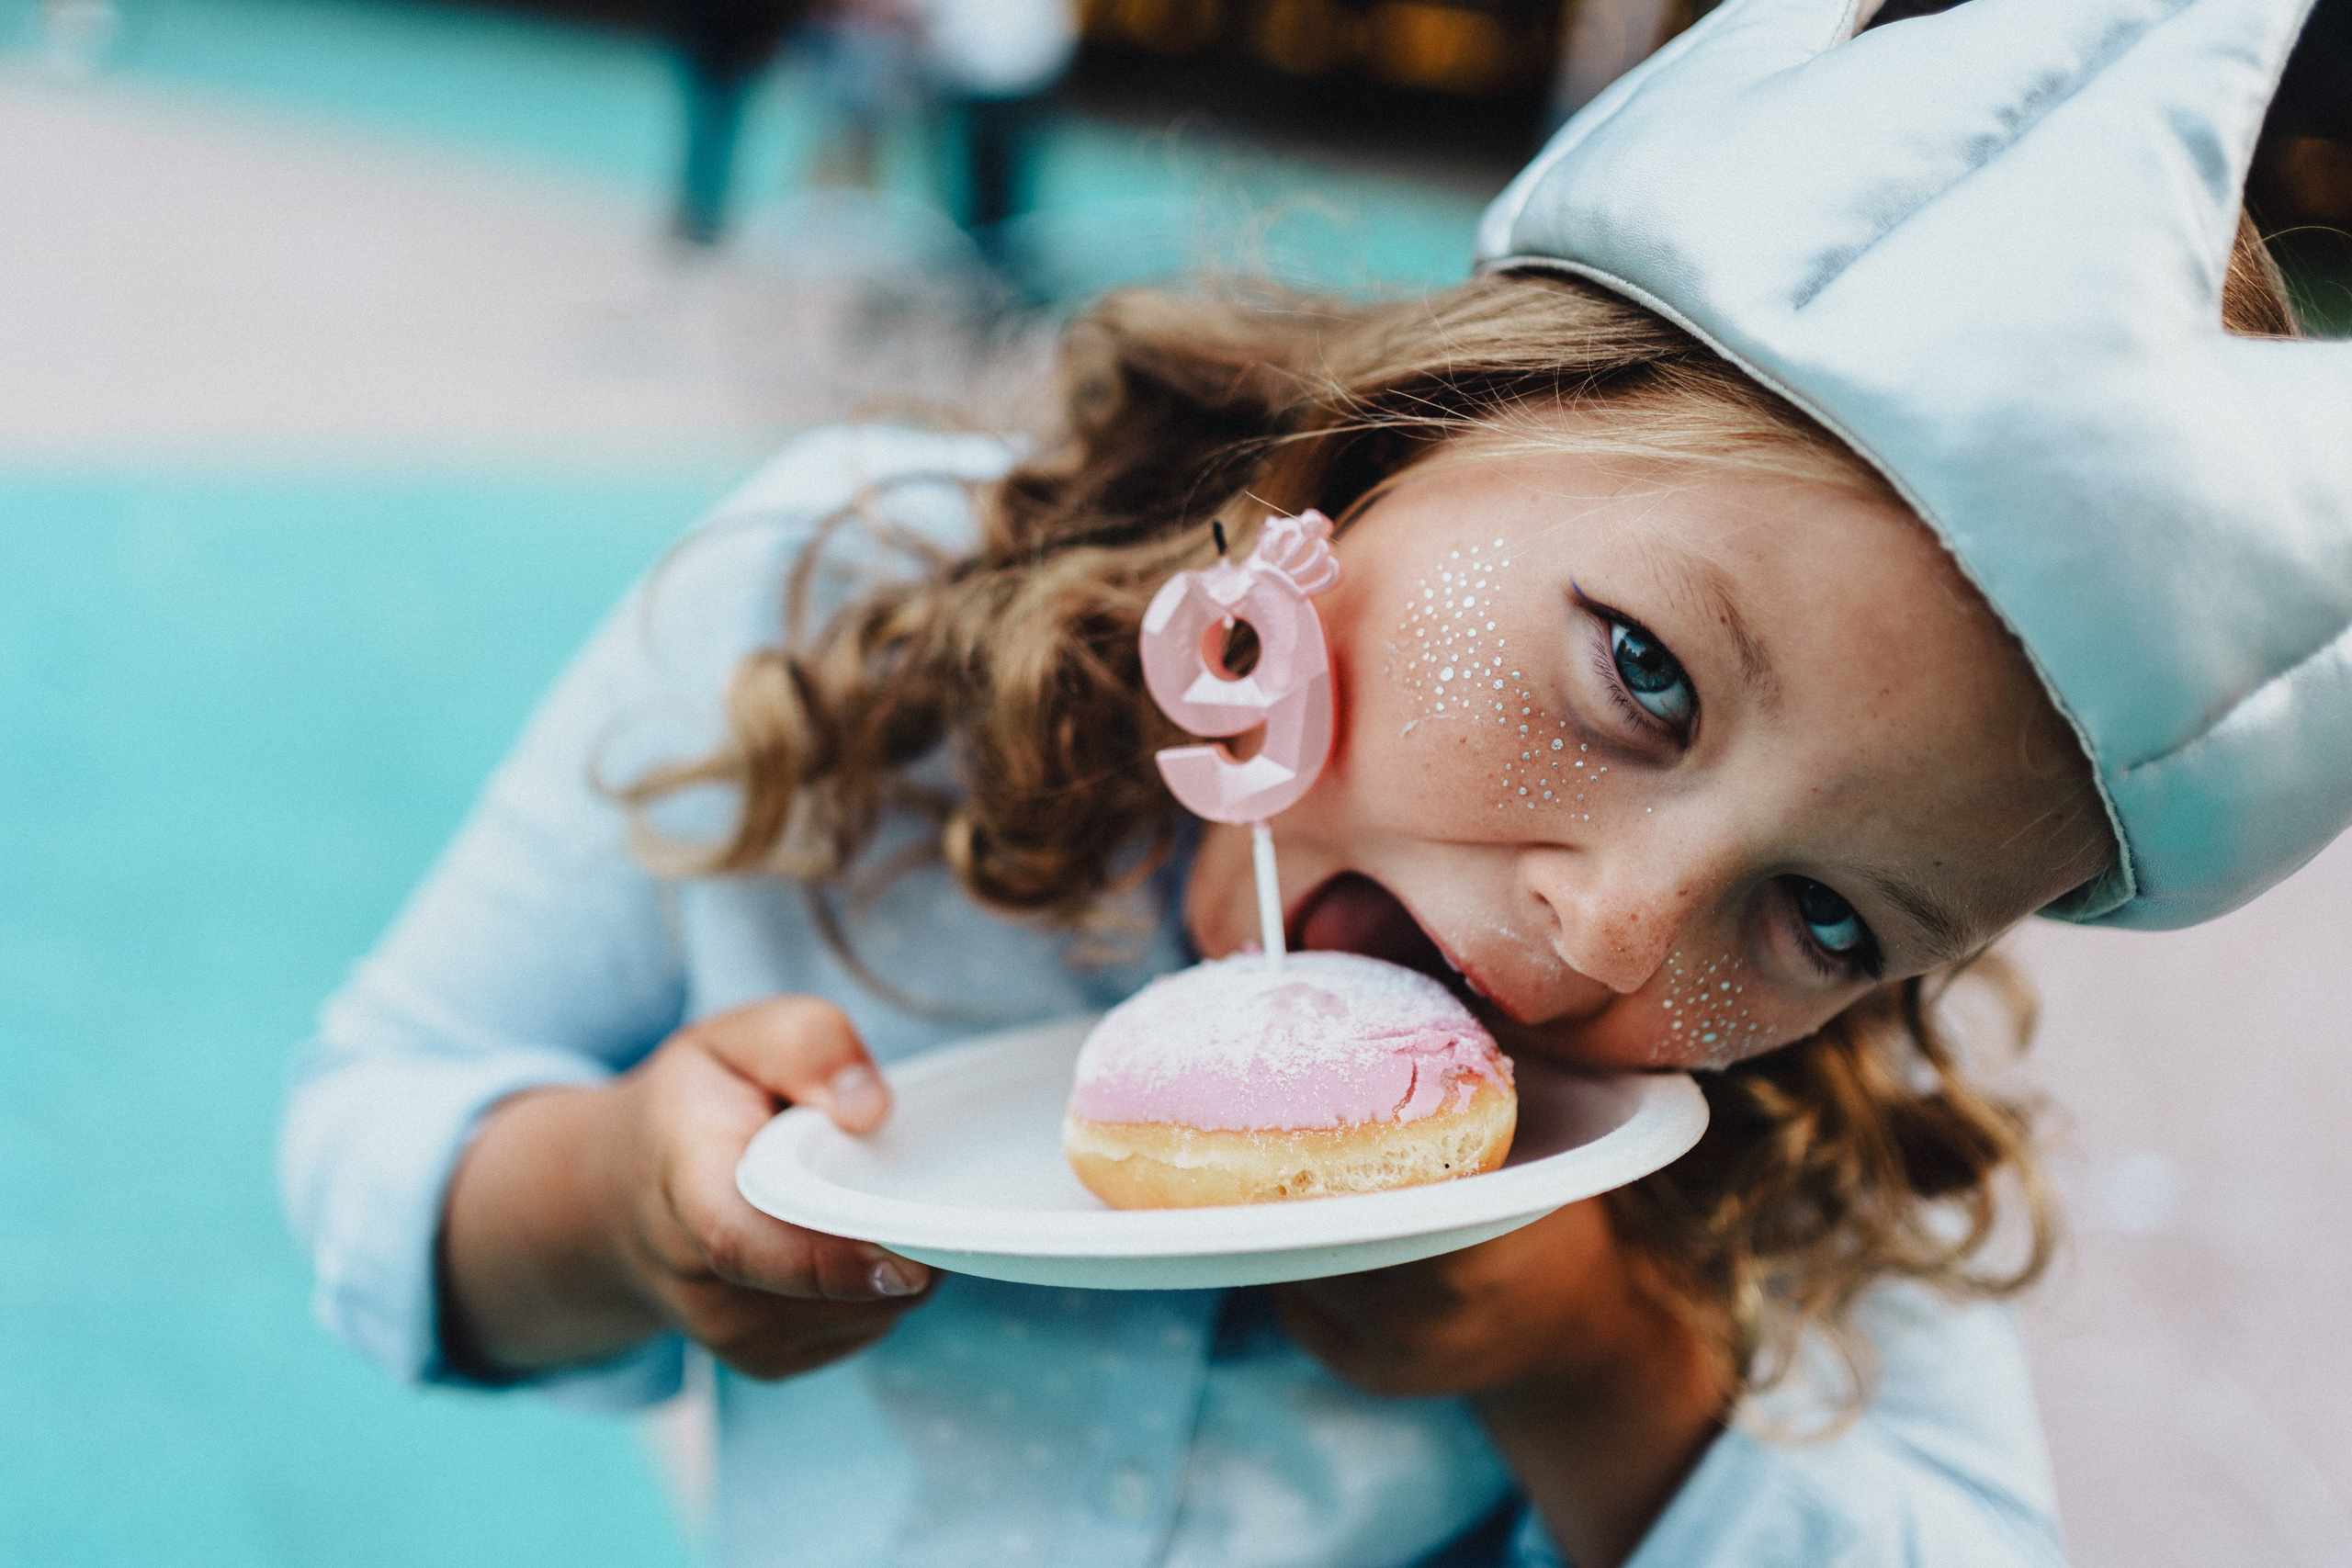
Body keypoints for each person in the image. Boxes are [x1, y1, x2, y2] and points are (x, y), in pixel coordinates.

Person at [280, 0, 2349, 1564]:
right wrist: (618, 1204)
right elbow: (372, 1137)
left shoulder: (1809, 1112)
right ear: (1400, 440)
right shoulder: (823, 606)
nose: (1613, 933)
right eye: (1639, 672)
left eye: (1825, 918)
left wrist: (1591, 1365)